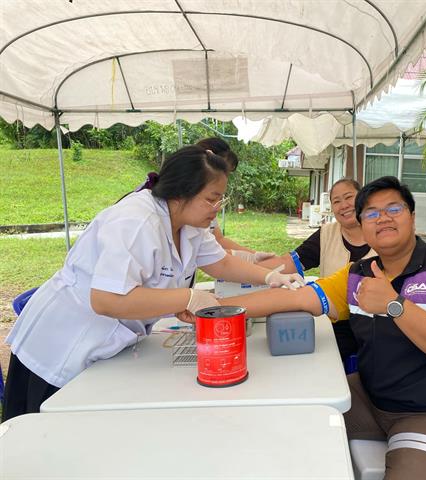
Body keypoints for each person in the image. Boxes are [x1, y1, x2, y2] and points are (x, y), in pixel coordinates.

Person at [1, 145, 303, 422]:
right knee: (41, 435)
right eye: (211, 198)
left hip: (107, 342)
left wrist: (269, 276)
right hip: (62, 344)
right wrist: (185, 299)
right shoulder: (136, 222)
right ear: (180, 193)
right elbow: (106, 299)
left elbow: (220, 262)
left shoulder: (188, 224)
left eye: (220, 198)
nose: (216, 208)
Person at [219, 176, 426, 479]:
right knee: (282, 420)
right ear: (362, 226)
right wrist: (216, 308)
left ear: (413, 217)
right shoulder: (357, 274)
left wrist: (395, 305)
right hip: (370, 399)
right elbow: (298, 296)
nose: (383, 217)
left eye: (393, 208)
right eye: (372, 213)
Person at [258, 178, 377, 363]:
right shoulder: (326, 234)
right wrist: (245, 269)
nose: (344, 205)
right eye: (336, 201)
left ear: (363, 198)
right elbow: (288, 262)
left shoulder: (383, 233)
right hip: (335, 327)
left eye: (349, 197)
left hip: (377, 328)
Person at [195, 136, 274, 263]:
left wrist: (253, 256)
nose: (224, 178)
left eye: (227, 173)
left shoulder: (206, 207)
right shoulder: (157, 221)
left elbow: (215, 244)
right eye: (221, 170)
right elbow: (208, 254)